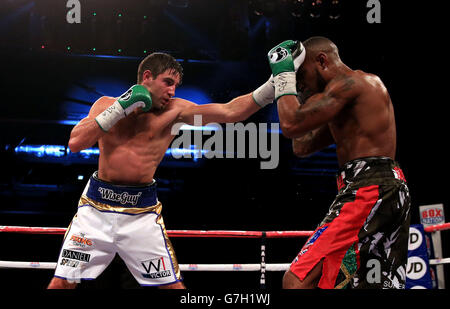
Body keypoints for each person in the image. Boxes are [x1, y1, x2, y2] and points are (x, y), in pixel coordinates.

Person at [47, 52, 278, 289]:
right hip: (94, 212)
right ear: (147, 77)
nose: (172, 92)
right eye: (168, 82)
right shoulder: (106, 104)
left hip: (141, 215)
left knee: (172, 288)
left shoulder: (175, 111)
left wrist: (272, 86)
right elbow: (76, 143)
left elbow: (231, 112)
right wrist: (119, 108)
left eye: (176, 86)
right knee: (62, 283)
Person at [266, 37, 411, 289]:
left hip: (370, 188)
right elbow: (301, 145)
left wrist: (284, 75)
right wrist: (298, 90)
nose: (301, 83)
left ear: (322, 60)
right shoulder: (342, 106)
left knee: (296, 280)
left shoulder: (354, 84)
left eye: (303, 75)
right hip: (382, 189)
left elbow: (290, 124)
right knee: (370, 285)